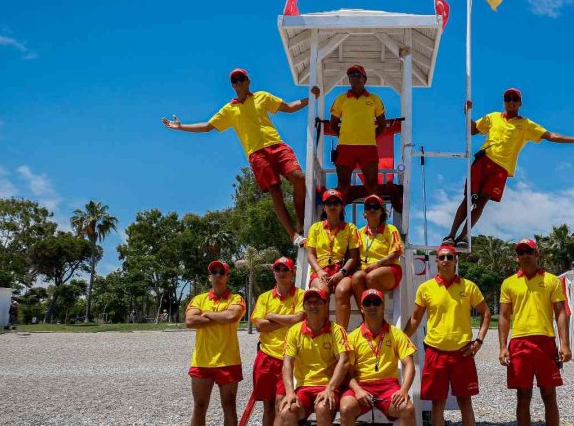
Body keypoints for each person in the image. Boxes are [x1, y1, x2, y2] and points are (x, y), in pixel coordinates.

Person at [162, 68, 319, 246]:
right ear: (232, 86)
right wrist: (181, 127)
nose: (238, 82)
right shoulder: (229, 109)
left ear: (248, 81)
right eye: (234, 80)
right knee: (275, 192)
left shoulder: (262, 96)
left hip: (277, 146)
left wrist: (311, 97)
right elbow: (207, 126)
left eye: (241, 78)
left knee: (299, 178)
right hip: (256, 154)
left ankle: (301, 223)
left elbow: (290, 107)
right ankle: (293, 235)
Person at [444, 88, 574, 246]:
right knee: (468, 198)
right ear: (504, 102)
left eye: (515, 99)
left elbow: (550, 136)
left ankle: (462, 238)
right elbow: (473, 130)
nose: (511, 102)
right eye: (508, 99)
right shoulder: (493, 117)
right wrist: (467, 113)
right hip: (484, 160)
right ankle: (451, 236)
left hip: (501, 168)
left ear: (520, 103)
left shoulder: (526, 124)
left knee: (481, 202)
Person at [404, 244, 491, 426]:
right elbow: (415, 319)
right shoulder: (426, 288)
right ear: (436, 261)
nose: (445, 261)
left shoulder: (468, 286)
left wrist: (479, 340)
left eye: (449, 257)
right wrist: (401, 339)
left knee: (465, 403)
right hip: (435, 352)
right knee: (437, 405)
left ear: (455, 261)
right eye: (441, 257)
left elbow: (486, 313)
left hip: (462, 353)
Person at [339, 289, 421, 426]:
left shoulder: (396, 333)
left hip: (388, 386)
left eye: (376, 302)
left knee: (407, 408)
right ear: (361, 308)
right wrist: (357, 390)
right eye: (368, 303)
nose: (372, 306)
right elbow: (346, 373)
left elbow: (409, 364)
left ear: (383, 306)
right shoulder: (353, 336)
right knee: (346, 407)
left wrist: (404, 389)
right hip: (362, 386)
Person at [498, 238, 570, 426]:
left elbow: (560, 313)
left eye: (529, 251)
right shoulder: (509, 283)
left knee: (549, 394)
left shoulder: (551, 280)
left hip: (545, 342)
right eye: (521, 252)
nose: (525, 256)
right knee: (523, 396)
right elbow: (504, 316)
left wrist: (564, 344)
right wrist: (502, 346)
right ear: (517, 257)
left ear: (537, 255)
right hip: (519, 343)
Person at [278, 287, 351, 426]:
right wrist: (289, 392)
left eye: (318, 301)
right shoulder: (295, 331)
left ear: (325, 305)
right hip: (304, 388)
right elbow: (287, 364)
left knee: (323, 408)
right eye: (309, 302)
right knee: (287, 412)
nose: (313, 305)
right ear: (304, 306)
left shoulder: (336, 330)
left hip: (328, 387)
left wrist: (330, 388)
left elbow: (344, 361)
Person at [183, 260, 247, 426]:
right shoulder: (199, 298)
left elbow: (232, 316)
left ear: (227, 276)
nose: (217, 275)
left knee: (229, 406)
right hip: (202, 361)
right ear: (209, 276)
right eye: (214, 271)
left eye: (221, 272)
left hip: (228, 360)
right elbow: (190, 321)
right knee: (199, 406)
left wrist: (207, 314)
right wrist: (220, 318)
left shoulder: (236, 298)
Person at [250, 256, 305, 426]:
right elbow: (259, 325)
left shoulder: (300, 295)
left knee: (282, 404)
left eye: (285, 269)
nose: (281, 273)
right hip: (266, 355)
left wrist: (272, 317)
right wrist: (286, 320)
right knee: (267, 406)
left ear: (292, 272)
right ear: (273, 272)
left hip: (289, 358)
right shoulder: (265, 297)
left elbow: (299, 319)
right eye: (278, 269)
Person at [329, 65, 386, 201]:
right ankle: (338, 213)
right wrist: (344, 136)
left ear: (364, 79)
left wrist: (371, 138)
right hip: (345, 147)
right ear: (349, 80)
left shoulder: (374, 99)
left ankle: (376, 213)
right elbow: (333, 124)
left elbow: (382, 124)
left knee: (372, 184)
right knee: (343, 184)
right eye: (351, 75)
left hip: (368, 147)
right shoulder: (341, 99)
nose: (354, 77)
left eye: (358, 74)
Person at [306, 189, 360, 330]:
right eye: (328, 203)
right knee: (321, 293)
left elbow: (353, 257)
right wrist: (319, 271)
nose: (332, 206)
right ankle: (324, 332)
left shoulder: (350, 228)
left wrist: (342, 273)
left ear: (341, 206)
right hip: (320, 270)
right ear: (324, 207)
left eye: (336, 203)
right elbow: (310, 254)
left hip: (342, 270)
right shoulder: (315, 228)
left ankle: (341, 334)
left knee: (342, 291)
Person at [350, 195, 403, 303]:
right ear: (364, 213)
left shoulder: (391, 229)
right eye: (368, 207)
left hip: (388, 268)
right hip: (366, 269)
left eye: (376, 207)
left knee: (372, 277)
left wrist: (378, 264)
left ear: (381, 211)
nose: (372, 210)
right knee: (356, 278)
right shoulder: (359, 232)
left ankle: (378, 313)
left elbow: (396, 253)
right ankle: (365, 313)